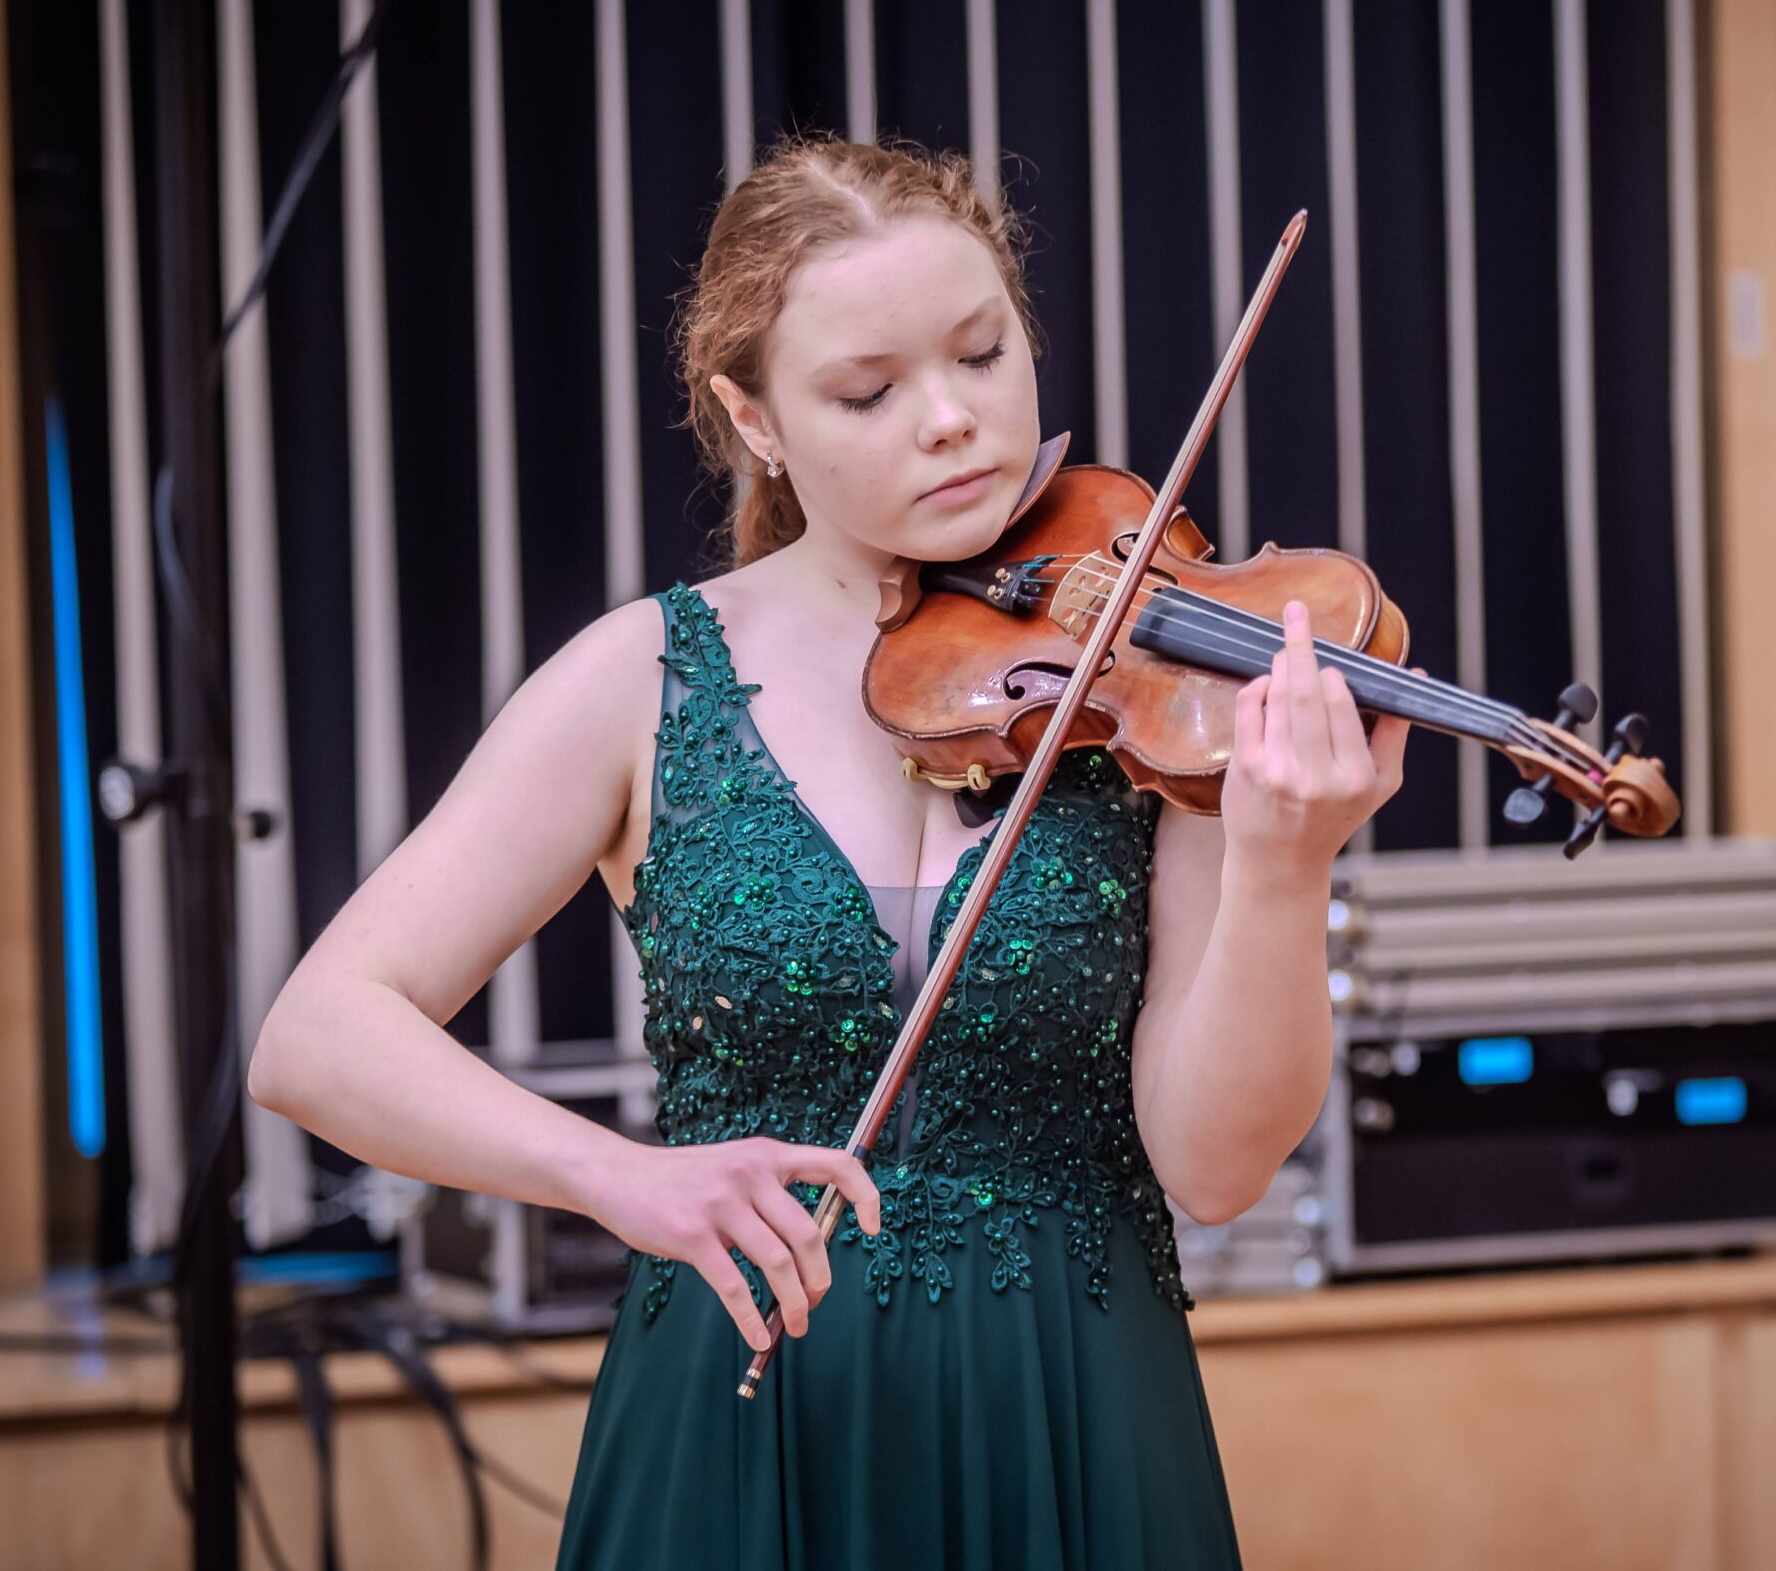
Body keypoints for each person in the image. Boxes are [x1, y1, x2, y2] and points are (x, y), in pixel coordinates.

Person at [246, 134, 1413, 1569]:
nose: (953, 420)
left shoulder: (1152, 682)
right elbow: (315, 1036)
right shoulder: (640, 680)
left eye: (983, 354)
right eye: (869, 392)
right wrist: (620, 1177)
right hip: (738, 1421)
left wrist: (1286, 867)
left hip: (1072, 1406)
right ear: (757, 420)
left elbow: (1216, 1169)